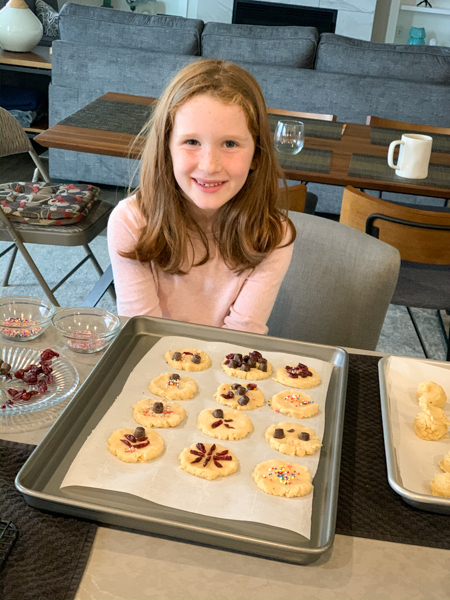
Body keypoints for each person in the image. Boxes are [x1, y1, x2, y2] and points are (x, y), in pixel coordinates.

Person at [107, 58, 296, 334]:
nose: (209, 165)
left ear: (256, 155)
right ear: (166, 148)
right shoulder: (130, 222)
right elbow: (144, 337)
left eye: (230, 143)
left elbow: (238, 340)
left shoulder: (273, 235)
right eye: (192, 142)